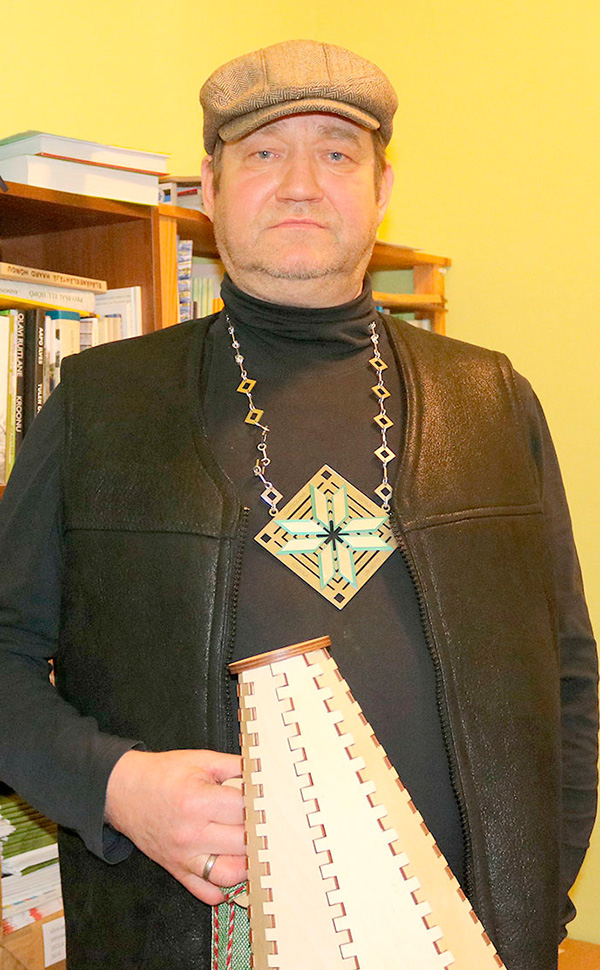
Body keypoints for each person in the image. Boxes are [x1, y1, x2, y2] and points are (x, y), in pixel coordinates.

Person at [0, 38, 597, 970]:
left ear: (382, 189)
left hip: (471, 940)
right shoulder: (97, 404)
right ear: (209, 187)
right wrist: (115, 786)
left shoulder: (493, 400)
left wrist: (537, 906)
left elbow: (566, 677)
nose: (301, 185)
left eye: (337, 153)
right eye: (265, 152)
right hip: (186, 938)